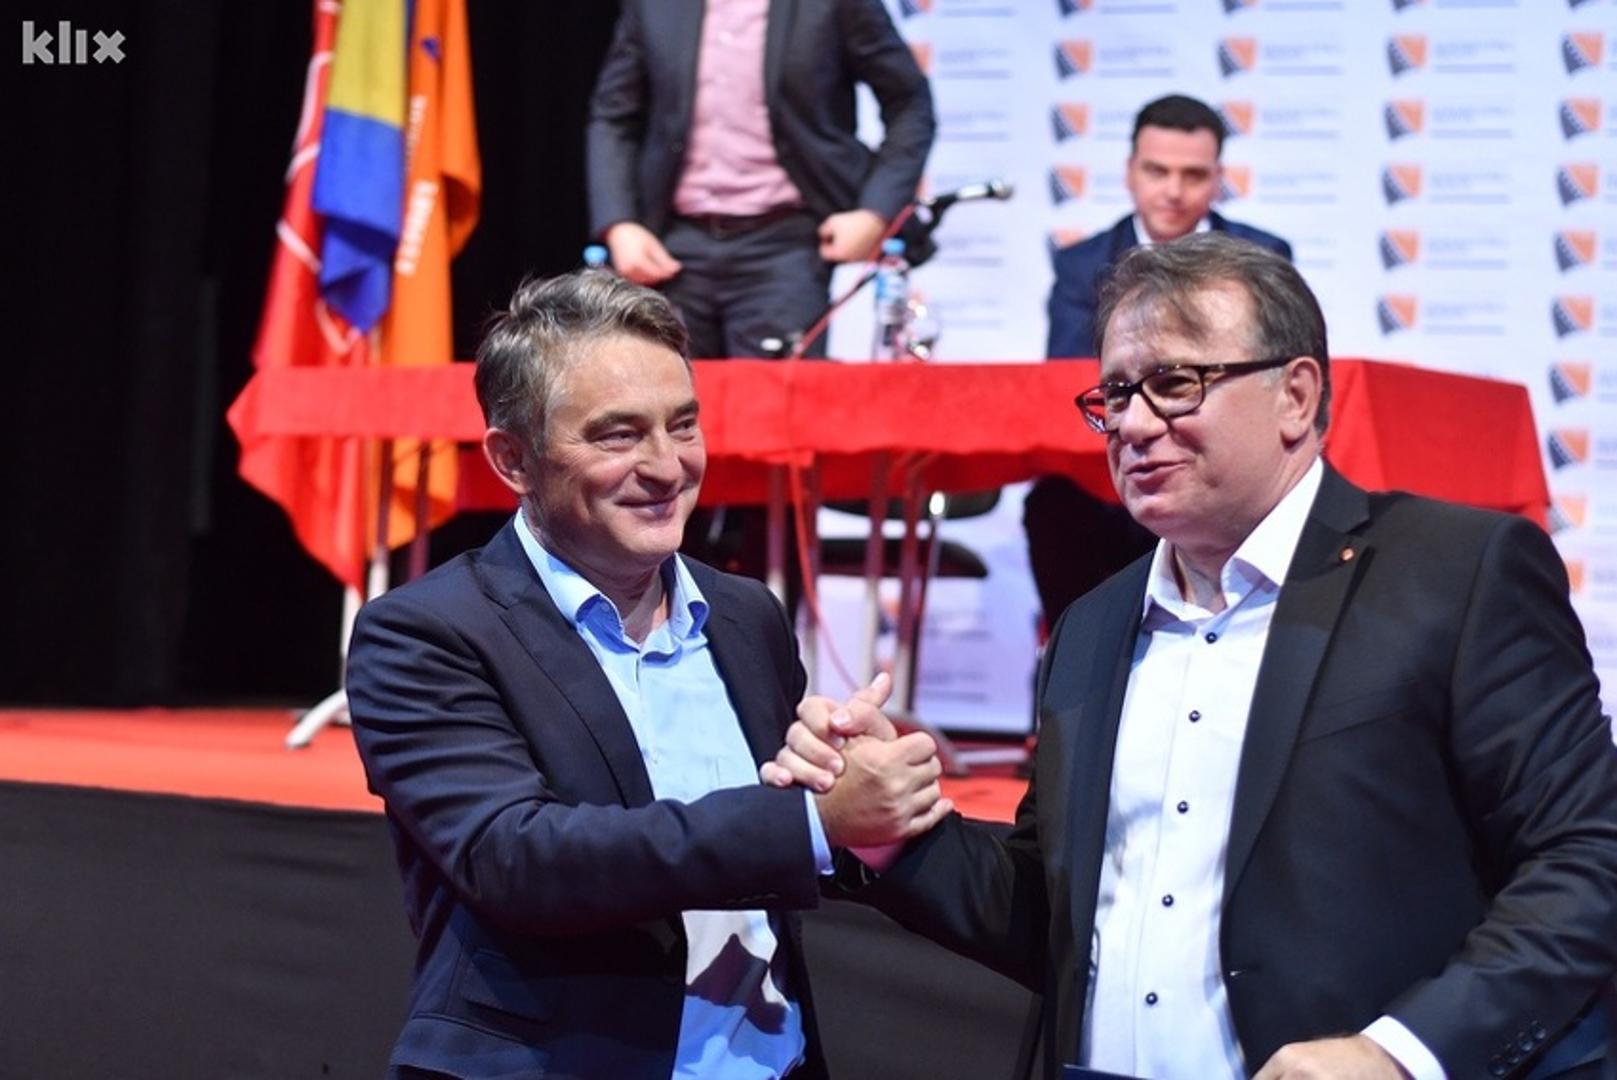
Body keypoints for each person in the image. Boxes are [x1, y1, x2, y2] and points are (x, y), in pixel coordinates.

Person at [767, 234, 1617, 1079]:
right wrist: (889, 830)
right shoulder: (1092, 623)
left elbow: (1586, 858)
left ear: (1295, 396)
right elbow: (1050, 911)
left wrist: (1398, 1053)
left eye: (1175, 384)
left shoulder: (1455, 572)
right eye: (1115, 393)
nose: (1134, 425)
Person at [345, 271, 951, 1079]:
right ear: (512, 459)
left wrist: (853, 800)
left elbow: (770, 856)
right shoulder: (426, 631)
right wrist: (810, 822)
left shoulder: (746, 615)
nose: (667, 467)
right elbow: (518, 860)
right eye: (617, 435)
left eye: (683, 424)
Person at [1028, 94, 1298, 631]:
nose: (1174, 190)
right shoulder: (1081, 264)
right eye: (1157, 171)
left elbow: (1267, 377)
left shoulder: (1263, 256)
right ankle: (1078, 659)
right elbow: (1070, 373)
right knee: (1053, 505)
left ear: (1218, 178)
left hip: (1220, 465)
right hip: (1109, 474)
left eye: (1193, 174)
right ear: (1130, 172)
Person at [586, 0, 936, 361]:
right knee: (662, 389)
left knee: (779, 395)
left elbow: (910, 103)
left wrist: (874, 212)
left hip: (786, 245)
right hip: (671, 246)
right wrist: (620, 223)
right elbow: (613, 114)